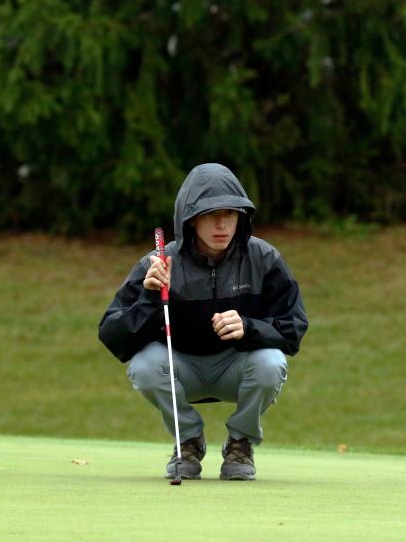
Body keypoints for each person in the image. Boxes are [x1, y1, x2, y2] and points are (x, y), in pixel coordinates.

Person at [98, 163, 309, 481]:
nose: (222, 224)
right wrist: (150, 297)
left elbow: (293, 328)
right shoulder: (159, 263)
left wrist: (249, 328)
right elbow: (113, 336)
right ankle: (189, 441)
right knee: (144, 365)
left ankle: (240, 443)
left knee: (271, 362)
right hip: (181, 369)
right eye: (211, 214)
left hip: (236, 369)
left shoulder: (263, 259)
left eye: (231, 213)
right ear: (192, 219)